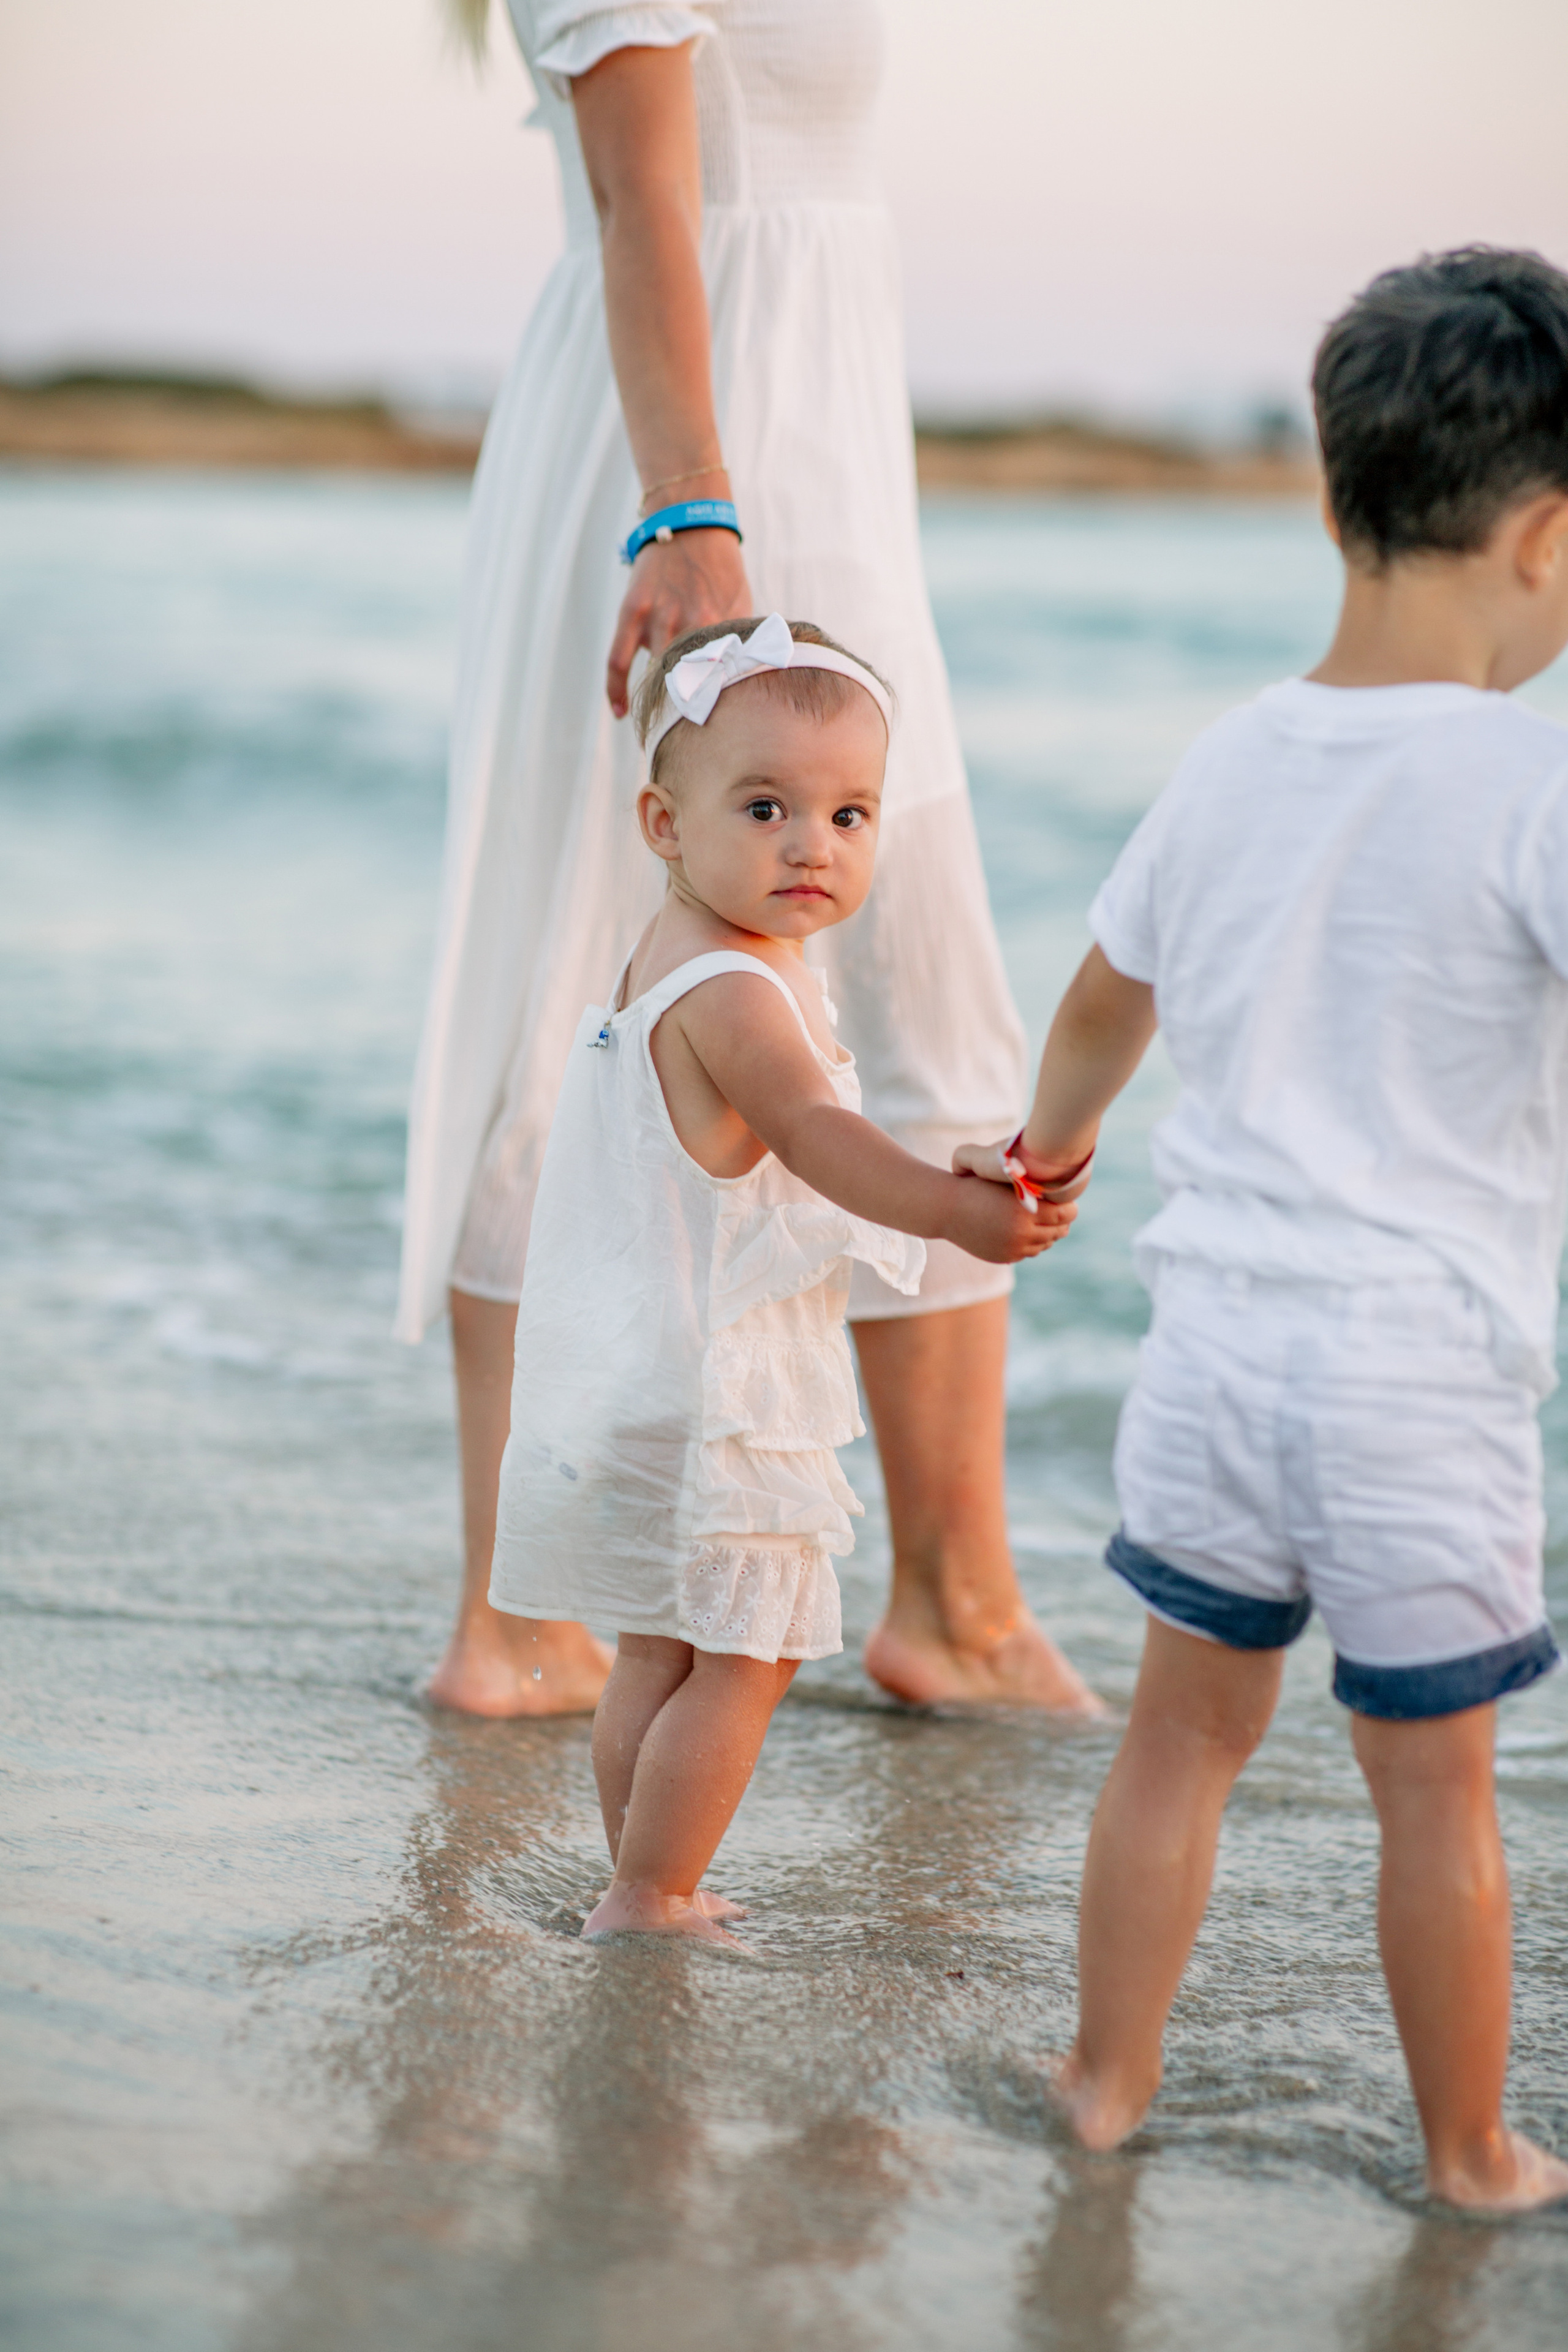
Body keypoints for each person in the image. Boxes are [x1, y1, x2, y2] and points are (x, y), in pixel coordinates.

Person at [956, 249, 1568, 2211]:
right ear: (1547, 538)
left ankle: (1102, 2082)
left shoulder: (1230, 755)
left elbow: (1099, 1008)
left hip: (1213, 1355)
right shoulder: (1535, 778)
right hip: (1419, 1383)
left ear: (1335, 499)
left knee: (1178, 1741)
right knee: (1432, 1792)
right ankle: (1471, 2153)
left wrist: (1043, 1168)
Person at [406, 0, 1098, 1718]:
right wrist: (691, 509)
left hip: (815, 449)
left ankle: (951, 1598)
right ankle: (526, 1619)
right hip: (696, 466)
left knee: (917, 1000)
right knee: (593, 1010)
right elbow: (644, 193)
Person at [489, 617, 1080, 1940]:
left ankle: (638, 1875)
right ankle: (651, 1892)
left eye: (849, 813)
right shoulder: (740, 993)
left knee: (658, 1645)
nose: (812, 844)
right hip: (719, 1390)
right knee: (746, 1658)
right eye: (765, 809)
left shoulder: (669, 955)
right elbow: (814, 1137)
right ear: (663, 823)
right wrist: (952, 1212)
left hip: (641, 1365)